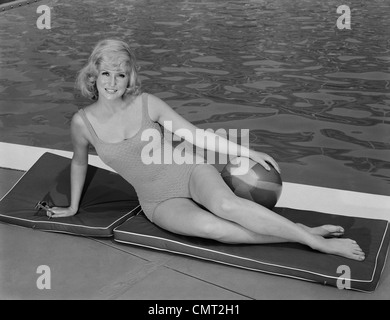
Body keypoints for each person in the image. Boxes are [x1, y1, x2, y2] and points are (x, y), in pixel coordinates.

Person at [49, 39, 365, 261]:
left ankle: (318, 245)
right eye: (106, 73)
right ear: (94, 74)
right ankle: (302, 231)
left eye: (120, 74)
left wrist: (247, 152)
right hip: (158, 200)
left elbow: (197, 136)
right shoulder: (82, 123)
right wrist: (74, 208)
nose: (112, 82)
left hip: (189, 171)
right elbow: (79, 162)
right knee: (216, 229)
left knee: (227, 205)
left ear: (129, 76)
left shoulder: (148, 104)